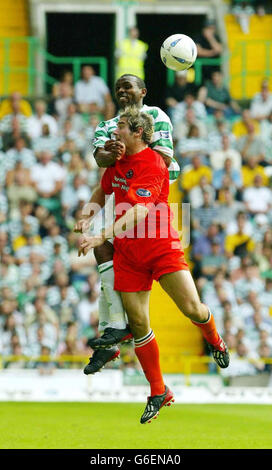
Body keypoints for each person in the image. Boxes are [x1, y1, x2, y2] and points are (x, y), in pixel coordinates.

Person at [78, 108, 229, 424]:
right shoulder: (118, 160)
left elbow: (139, 213)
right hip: (128, 253)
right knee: (138, 325)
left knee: (192, 309)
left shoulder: (153, 163)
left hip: (161, 248)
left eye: (119, 126)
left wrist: (100, 235)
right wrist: (87, 213)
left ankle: (215, 339)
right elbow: (104, 187)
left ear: (136, 132)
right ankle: (159, 391)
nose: (113, 130)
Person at [74, 74, 180, 373]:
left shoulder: (157, 116)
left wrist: (126, 154)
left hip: (149, 204)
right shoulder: (107, 126)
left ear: (142, 91)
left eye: (128, 86)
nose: (122, 91)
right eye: (118, 87)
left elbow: (162, 158)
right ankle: (112, 337)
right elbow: (101, 159)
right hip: (121, 201)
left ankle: (117, 337)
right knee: (102, 251)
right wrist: (112, 155)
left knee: (110, 255)